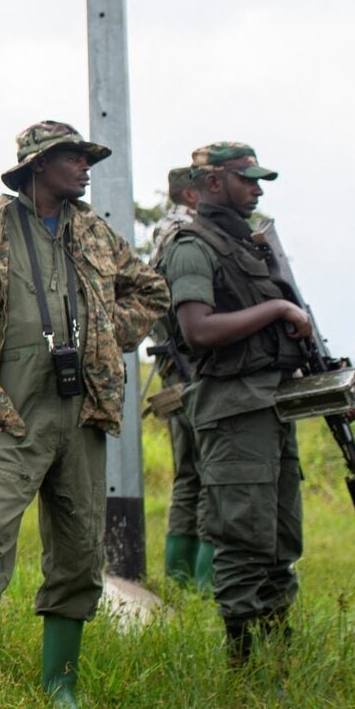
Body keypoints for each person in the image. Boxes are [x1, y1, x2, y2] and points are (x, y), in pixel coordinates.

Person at [0, 121, 167, 709]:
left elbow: (150, 293)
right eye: (73, 159)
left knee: (81, 549)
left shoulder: (95, 234)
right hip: (10, 413)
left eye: (86, 159)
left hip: (82, 413)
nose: (84, 168)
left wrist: (104, 333)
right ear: (38, 165)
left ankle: (61, 689)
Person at [159, 143, 320, 665]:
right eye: (246, 179)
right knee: (242, 539)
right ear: (211, 184)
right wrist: (277, 306)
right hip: (232, 411)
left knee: (279, 538)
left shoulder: (249, 247)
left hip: (269, 406)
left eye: (259, 181)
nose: (256, 189)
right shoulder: (191, 245)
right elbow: (198, 329)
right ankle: (245, 662)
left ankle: (277, 653)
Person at [147, 166, 210, 590]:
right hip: (195, 365)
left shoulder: (161, 232)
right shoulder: (190, 236)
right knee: (211, 473)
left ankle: (177, 578)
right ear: (190, 193)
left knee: (188, 474)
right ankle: (206, 579)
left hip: (174, 369)